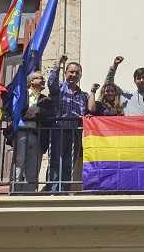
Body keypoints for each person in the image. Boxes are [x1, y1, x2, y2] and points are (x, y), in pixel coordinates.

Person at [46, 54, 88, 192]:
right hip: (59, 130)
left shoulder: (83, 95)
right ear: (65, 73)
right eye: (71, 72)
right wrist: (58, 63)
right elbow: (51, 82)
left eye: (77, 73)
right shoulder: (59, 89)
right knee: (56, 162)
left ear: (80, 76)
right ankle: (53, 191)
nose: (74, 75)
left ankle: (63, 190)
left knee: (69, 164)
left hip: (74, 134)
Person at [9, 71, 52, 192]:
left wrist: (32, 112)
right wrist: (34, 113)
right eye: (40, 78)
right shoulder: (21, 96)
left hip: (37, 135)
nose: (43, 80)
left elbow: (47, 115)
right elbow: (18, 112)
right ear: (31, 81)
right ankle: (15, 193)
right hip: (21, 134)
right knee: (19, 165)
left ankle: (29, 195)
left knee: (33, 168)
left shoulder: (46, 100)